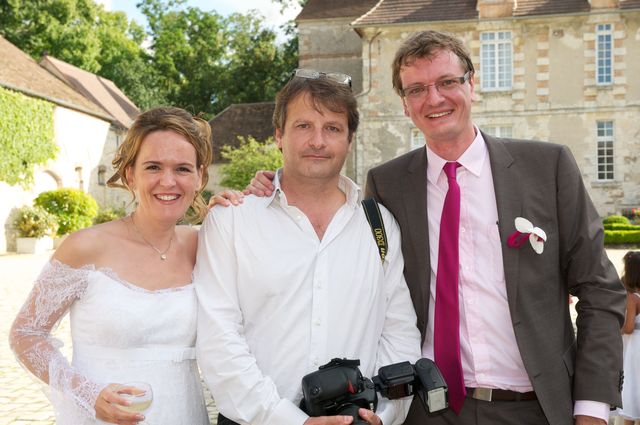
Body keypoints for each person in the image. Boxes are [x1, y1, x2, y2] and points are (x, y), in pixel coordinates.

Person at [243, 31, 626, 425]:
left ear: (471, 84)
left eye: (447, 82)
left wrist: (592, 409)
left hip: (534, 407)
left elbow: (600, 290)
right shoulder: (388, 185)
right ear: (405, 104)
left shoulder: (547, 168)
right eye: (417, 89)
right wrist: (269, 187)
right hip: (427, 410)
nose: (434, 99)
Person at [194, 69, 421, 425]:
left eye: (332, 128)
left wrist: (383, 414)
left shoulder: (379, 226)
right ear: (278, 135)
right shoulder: (231, 221)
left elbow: (399, 333)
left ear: (350, 140)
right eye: (303, 126)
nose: (318, 141)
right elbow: (218, 341)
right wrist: (289, 420)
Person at [9, 106, 212, 425]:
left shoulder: (206, 245)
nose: (168, 181)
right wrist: (87, 394)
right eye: (153, 167)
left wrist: (243, 204)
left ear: (199, 177)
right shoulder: (85, 246)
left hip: (185, 414)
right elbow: (25, 334)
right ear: (131, 175)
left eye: (183, 169)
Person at [618, 251, 640, 425]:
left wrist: (616, 330)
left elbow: (629, 327)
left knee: (632, 383)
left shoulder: (632, 298)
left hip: (634, 347)